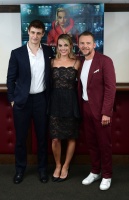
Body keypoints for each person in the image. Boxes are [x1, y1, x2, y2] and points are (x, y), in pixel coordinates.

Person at [6, 20, 54, 184]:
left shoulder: (48, 51)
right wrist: (12, 100)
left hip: (41, 100)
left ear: (42, 34)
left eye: (38, 33)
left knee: (42, 138)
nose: (35, 36)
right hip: (22, 102)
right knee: (20, 139)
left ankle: (42, 170)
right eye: (33, 32)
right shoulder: (17, 53)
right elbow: (10, 79)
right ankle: (20, 170)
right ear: (28, 31)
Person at [78, 31, 116, 190]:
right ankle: (95, 171)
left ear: (94, 44)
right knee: (91, 143)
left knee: (104, 145)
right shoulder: (79, 62)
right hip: (85, 108)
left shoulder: (104, 61)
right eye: (82, 43)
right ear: (78, 45)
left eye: (88, 43)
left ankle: (107, 175)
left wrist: (106, 112)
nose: (85, 46)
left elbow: (110, 88)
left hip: (101, 111)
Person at [48, 34, 80, 182]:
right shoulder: (52, 61)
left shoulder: (77, 62)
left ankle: (66, 166)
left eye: (66, 45)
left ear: (71, 46)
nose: (63, 48)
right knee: (55, 138)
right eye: (60, 45)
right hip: (55, 102)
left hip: (71, 102)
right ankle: (58, 165)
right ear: (57, 47)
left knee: (71, 137)